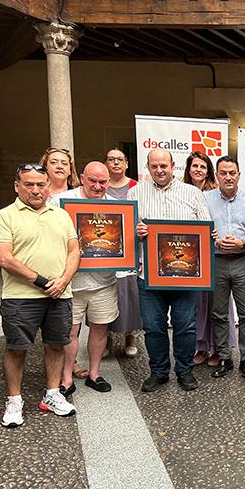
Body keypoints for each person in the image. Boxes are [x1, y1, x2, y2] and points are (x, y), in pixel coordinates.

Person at [0, 163, 80, 426]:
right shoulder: (5, 216)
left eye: (41, 184)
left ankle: (52, 394)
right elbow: (5, 259)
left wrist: (63, 281)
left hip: (60, 294)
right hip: (20, 296)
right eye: (28, 184)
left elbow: (74, 251)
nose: (35, 189)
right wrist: (44, 282)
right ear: (17, 186)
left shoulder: (61, 215)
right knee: (17, 348)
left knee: (56, 345)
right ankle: (14, 400)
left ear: (48, 186)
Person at [128, 149, 212, 392]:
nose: (159, 170)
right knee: (153, 327)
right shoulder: (135, 193)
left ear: (173, 165)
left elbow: (205, 231)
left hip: (185, 276)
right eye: (154, 166)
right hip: (149, 275)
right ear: (148, 167)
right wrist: (137, 231)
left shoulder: (192, 193)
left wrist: (210, 235)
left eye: (163, 165)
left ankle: (185, 371)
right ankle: (159, 372)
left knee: (185, 326)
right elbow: (127, 230)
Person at [53, 161, 121, 395]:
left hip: (104, 283)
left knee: (100, 330)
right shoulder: (62, 202)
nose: (97, 186)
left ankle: (94, 374)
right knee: (70, 333)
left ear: (109, 182)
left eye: (103, 182)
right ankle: (66, 379)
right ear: (82, 178)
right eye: (92, 180)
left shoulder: (117, 207)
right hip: (71, 282)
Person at [204, 156, 245, 379]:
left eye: (232, 173)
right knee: (218, 313)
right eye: (223, 173)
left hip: (243, 260)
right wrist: (212, 239)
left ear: (239, 175)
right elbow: (198, 228)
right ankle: (224, 357)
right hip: (216, 261)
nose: (228, 177)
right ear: (216, 176)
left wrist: (244, 242)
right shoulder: (205, 199)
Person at [184, 150, 234, 367]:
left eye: (203, 167)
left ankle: (217, 347)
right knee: (196, 304)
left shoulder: (215, 192)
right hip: (190, 257)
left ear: (209, 171)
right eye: (194, 166)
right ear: (188, 169)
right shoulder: (181, 191)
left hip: (213, 257)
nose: (198, 170)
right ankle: (199, 346)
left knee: (217, 304)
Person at [104, 147, 141, 357]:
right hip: (106, 246)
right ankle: (105, 339)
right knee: (108, 291)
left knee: (130, 293)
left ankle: (130, 336)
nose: (116, 163)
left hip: (130, 246)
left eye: (120, 159)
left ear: (126, 164)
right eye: (111, 159)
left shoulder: (136, 187)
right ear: (106, 163)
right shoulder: (99, 186)